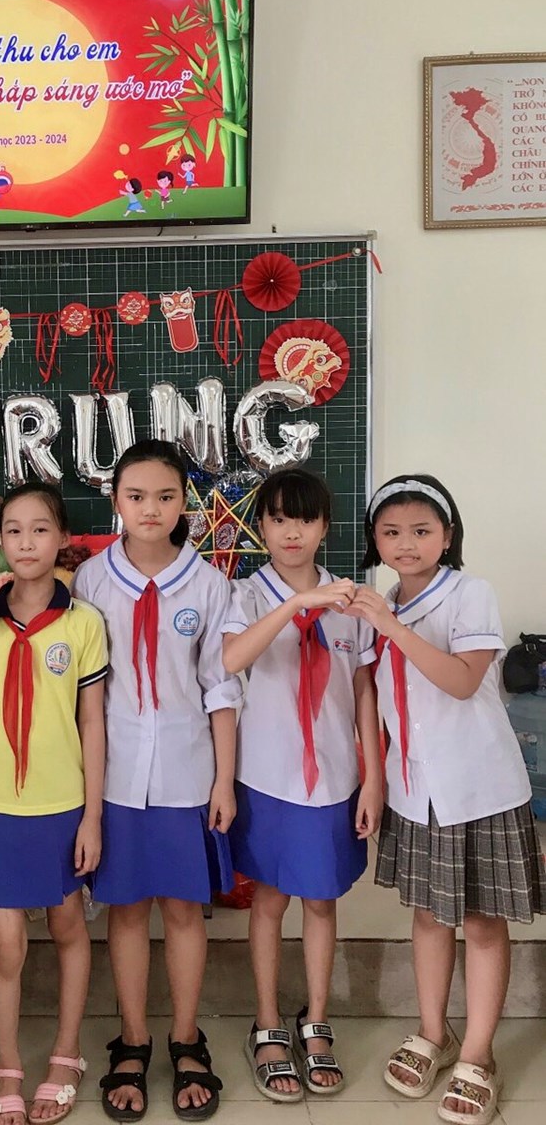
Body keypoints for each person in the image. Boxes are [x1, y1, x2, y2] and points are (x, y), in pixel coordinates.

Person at [348, 474, 545, 1125]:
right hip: (415, 789)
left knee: (482, 922)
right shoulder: (377, 603)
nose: (405, 544)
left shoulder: (469, 593)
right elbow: (370, 694)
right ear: (375, 540)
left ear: (447, 536)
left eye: (421, 531)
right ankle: (435, 1033)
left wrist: (390, 626)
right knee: (431, 916)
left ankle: (479, 1055)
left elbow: (461, 681)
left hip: (479, 787)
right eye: (391, 532)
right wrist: (374, 778)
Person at [72, 440, 241, 1123]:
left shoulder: (209, 585)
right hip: (113, 777)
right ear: (116, 500)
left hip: (186, 773)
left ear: (184, 504)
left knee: (182, 910)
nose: (151, 509)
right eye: (136, 496)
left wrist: (224, 780)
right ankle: (134, 1039)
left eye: (166, 496)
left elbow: (220, 687)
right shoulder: (89, 581)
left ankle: (186, 1037)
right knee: (126, 910)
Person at [0, 481, 107, 1125]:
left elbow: (92, 722)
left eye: (41, 529)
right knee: (5, 945)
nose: (27, 542)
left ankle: (66, 1053)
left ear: (62, 537)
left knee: (68, 927)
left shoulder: (84, 621)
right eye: (13, 530)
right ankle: (7, 1062)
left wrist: (92, 815)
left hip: (62, 804)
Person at [220, 469, 382, 1103]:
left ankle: (315, 1021)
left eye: (306, 519)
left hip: (335, 778)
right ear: (261, 525)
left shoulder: (352, 602)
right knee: (269, 900)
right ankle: (266, 1024)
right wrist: (296, 605)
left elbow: (364, 692)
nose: (292, 532)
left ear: (325, 527)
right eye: (279, 518)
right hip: (266, 776)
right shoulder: (243, 594)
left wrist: (373, 777)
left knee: (321, 901)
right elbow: (232, 660)